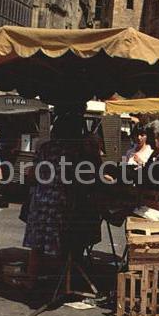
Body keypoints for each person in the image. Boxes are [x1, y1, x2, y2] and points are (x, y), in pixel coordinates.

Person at [23, 114, 101, 287]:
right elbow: (83, 179)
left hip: (40, 200)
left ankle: (32, 279)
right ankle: (58, 284)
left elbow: (32, 174)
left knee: (37, 245)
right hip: (61, 201)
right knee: (60, 244)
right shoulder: (76, 151)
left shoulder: (45, 147)